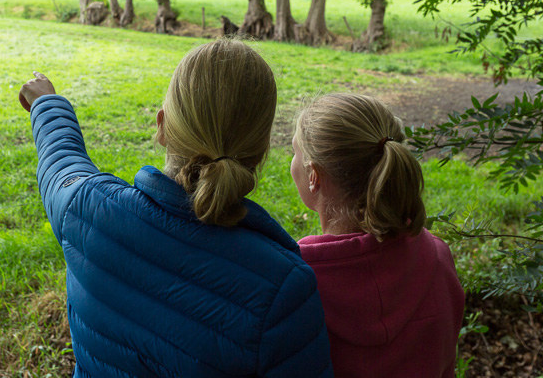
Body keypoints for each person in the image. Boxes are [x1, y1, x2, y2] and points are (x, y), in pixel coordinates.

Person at [19, 40, 333, 378]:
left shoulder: (87, 211)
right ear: (260, 150)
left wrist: (47, 104)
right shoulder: (284, 288)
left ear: (162, 126)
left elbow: (62, 164)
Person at [290, 93, 465, 378]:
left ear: (314, 176)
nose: (292, 162)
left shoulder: (295, 282)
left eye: (295, 152)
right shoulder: (436, 256)